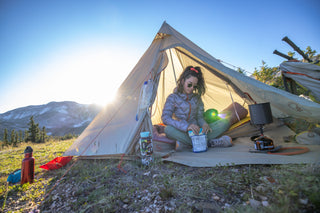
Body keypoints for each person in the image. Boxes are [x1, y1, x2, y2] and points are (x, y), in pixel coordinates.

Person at [161, 66, 232, 148]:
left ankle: (188, 144)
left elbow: (199, 117)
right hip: (181, 130)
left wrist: (204, 124)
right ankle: (209, 143)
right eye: (189, 84)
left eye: (194, 86)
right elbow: (165, 118)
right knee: (168, 130)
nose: (192, 88)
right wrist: (186, 127)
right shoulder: (172, 97)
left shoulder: (197, 98)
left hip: (198, 130)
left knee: (225, 122)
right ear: (183, 81)